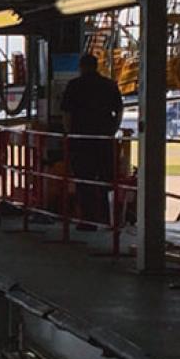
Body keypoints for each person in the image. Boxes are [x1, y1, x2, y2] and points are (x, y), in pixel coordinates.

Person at [59, 53, 125, 230]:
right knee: (104, 179)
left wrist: (69, 133)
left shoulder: (74, 86)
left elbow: (66, 113)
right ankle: (105, 219)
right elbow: (119, 111)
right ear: (97, 66)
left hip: (81, 139)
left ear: (81, 66)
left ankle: (88, 220)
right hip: (104, 139)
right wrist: (112, 130)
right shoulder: (109, 85)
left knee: (84, 180)